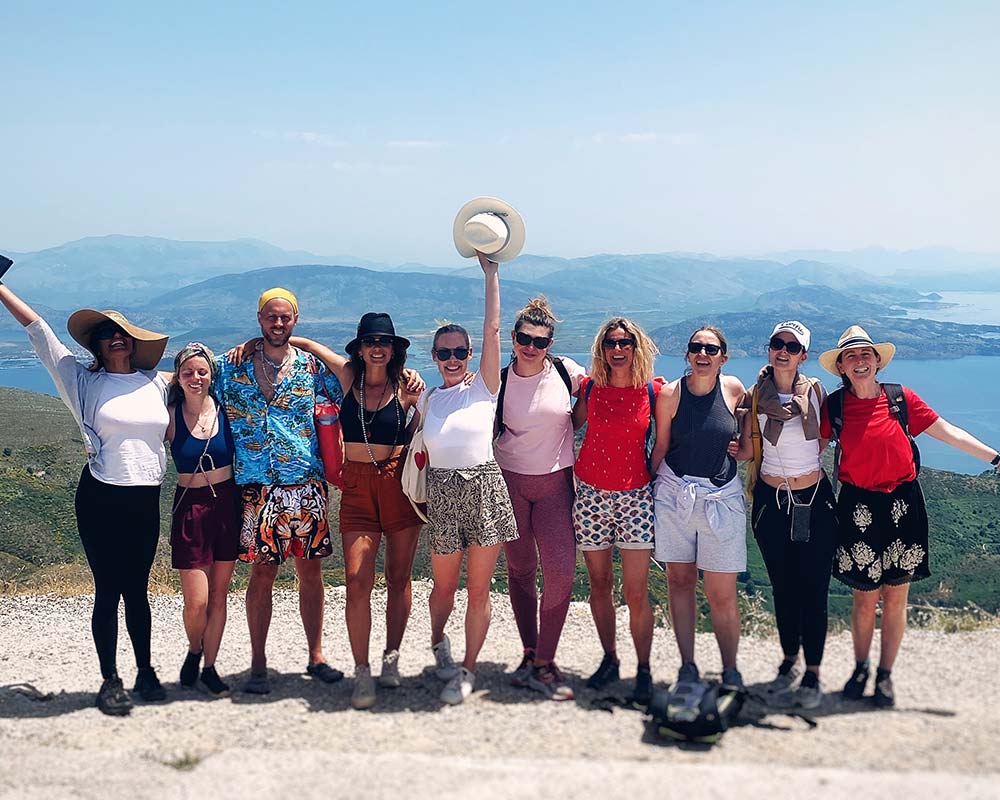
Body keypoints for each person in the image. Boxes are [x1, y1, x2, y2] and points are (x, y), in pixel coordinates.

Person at [0, 281, 171, 716]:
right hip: (100, 498)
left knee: (138, 591)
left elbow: (206, 372)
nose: (115, 338)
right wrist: (0, 287)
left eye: (122, 332)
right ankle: (110, 680)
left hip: (145, 498)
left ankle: (146, 672)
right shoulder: (81, 381)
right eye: (106, 334)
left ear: (133, 342)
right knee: (108, 590)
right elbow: (40, 332)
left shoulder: (157, 383)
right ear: (97, 345)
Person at [819, 325, 1000, 707]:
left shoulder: (901, 400)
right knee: (864, 599)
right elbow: (805, 445)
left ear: (877, 361)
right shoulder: (833, 408)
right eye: (851, 356)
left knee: (895, 597)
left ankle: (885, 676)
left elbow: (947, 432)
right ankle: (861, 667)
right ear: (841, 367)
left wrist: (996, 458)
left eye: (866, 354)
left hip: (903, 505)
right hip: (858, 508)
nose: (859, 360)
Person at [278, 313, 426, 709]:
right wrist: (258, 346)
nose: (377, 348)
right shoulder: (347, 378)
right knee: (357, 580)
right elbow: (307, 345)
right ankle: (362, 670)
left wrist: (413, 404)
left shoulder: (406, 386)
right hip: (357, 487)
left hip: (398, 483)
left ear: (394, 349)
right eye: (370, 341)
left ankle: (390, 659)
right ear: (359, 349)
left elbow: (417, 434)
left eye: (384, 341)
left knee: (399, 578)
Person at [213, 287, 345, 695]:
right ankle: (258, 664)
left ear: (296, 320)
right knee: (261, 573)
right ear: (259, 319)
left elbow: (350, 379)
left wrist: (305, 343)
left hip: (304, 483)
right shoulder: (229, 368)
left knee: (311, 572)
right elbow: (188, 375)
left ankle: (317, 655)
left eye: (286, 318)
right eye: (271, 317)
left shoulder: (310, 367)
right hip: (255, 486)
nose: (278, 324)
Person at [416, 252, 518, 705]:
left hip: (484, 490)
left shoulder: (485, 387)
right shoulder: (427, 400)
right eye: (445, 352)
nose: (453, 358)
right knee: (442, 586)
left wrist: (491, 275)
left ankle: (468, 669)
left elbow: (494, 328)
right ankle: (440, 645)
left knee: (478, 589)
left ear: (471, 354)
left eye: (460, 351)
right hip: (442, 492)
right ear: (435, 357)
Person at [735, 321, 836, 709]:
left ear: (803, 356)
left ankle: (812, 672)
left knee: (814, 589)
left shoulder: (815, 394)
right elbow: (746, 448)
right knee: (783, 586)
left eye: (792, 347)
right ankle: (789, 661)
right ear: (770, 348)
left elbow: (825, 437)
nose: (783, 351)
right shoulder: (753, 397)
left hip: (813, 499)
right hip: (770, 500)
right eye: (778, 343)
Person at [494, 297, 586, 701]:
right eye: (524, 338)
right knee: (520, 572)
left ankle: (545, 660)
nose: (531, 347)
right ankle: (531, 653)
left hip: (555, 485)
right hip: (510, 482)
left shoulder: (568, 373)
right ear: (513, 338)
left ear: (550, 344)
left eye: (540, 341)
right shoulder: (498, 381)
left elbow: (612, 388)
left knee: (561, 574)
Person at [650, 326, 747, 692]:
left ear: (723, 356)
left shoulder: (734, 390)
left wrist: (744, 450)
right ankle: (687, 665)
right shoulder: (670, 395)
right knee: (680, 582)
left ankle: (730, 670)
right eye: (696, 347)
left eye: (711, 348)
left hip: (721, 499)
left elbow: (750, 436)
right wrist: (646, 486)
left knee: (721, 592)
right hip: (675, 495)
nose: (702, 354)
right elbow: (661, 446)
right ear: (688, 354)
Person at [572, 317, 663, 705]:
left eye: (626, 342)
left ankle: (644, 668)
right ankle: (610, 658)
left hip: (636, 499)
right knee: (600, 585)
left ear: (637, 347)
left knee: (636, 592)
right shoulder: (590, 389)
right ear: (602, 349)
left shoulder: (654, 392)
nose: (618, 349)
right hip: (590, 495)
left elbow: (669, 440)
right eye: (611, 342)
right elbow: (562, 426)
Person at [167, 342, 240, 698]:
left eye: (201, 371)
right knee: (196, 601)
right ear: (178, 377)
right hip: (190, 508)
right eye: (187, 373)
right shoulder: (169, 415)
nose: (195, 378)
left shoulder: (227, 409)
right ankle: (194, 649)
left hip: (227, 505)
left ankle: (209, 666)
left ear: (211, 374)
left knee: (219, 598)